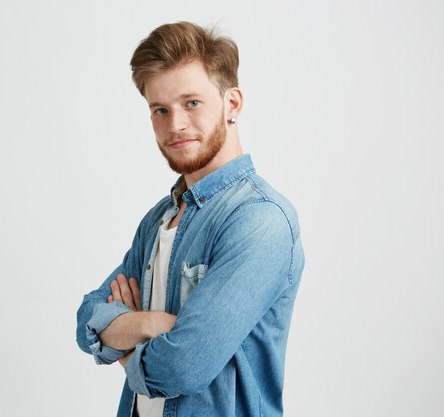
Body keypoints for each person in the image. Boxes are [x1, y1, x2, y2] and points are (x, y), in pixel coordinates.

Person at [75, 21, 305, 417]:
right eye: (160, 110)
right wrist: (153, 323)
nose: (175, 125)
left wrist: (125, 347)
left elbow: (181, 367)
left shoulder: (260, 220)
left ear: (232, 104)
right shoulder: (159, 219)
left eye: (191, 103)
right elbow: (88, 320)